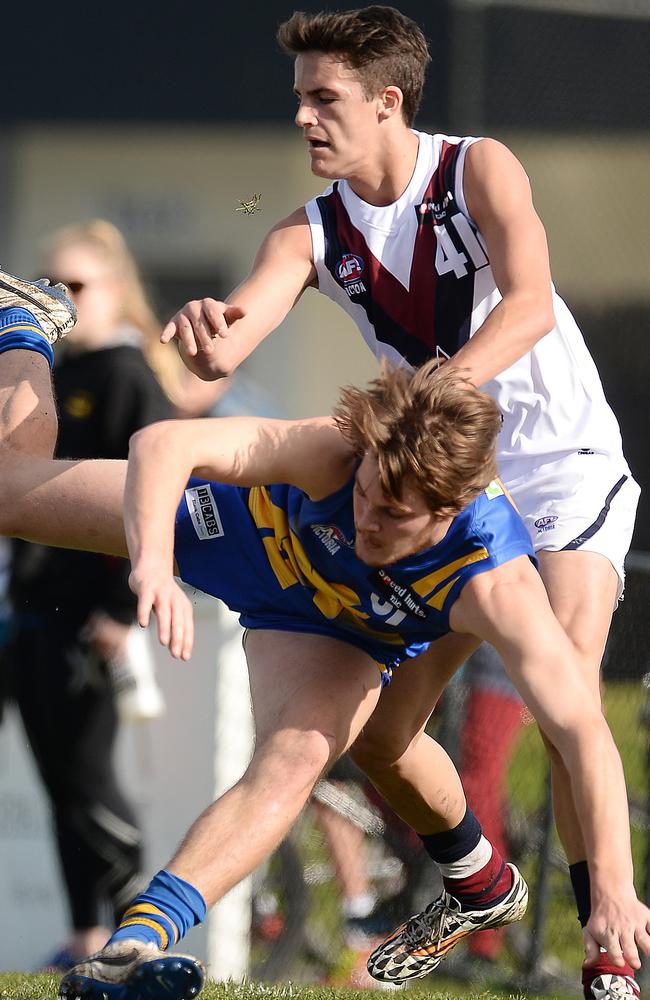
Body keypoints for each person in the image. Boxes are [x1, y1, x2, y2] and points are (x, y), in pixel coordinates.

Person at [161, 7, 644, 997]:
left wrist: (431, 395)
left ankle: (610, 943)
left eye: (320, 97)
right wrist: (209, 338)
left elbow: (530, 301)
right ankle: (479, 882)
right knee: (380, 740)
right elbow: (234, 338)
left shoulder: (477, 168)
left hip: (557, 467)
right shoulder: (309, 228)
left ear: (386, 102)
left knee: (567, 691)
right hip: (438, 494)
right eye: (297, 98)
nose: (300, 117)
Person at [0, 275, 646, 1000]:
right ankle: (24, 325)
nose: (367, 520)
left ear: (449, 510)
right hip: (231, 530)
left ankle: (129, 947)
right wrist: (149, 563)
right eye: (365, 494)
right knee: (8, 493)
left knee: (300, 756)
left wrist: (615, 891)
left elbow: (583, 732)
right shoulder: (335, 450)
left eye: (393, 515)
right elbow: (164, 443)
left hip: (323, 630)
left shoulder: (494, 582)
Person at [5, 221, 174, 970]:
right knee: (57, 789)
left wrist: (120, 609)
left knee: (90, 785)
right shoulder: (51, 369)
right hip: (32, 608)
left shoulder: (127, 376)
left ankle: (133, 938)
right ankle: (83, 940)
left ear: (115, 292)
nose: (58, 301)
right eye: (48, 286)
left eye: (74, 287)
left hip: (88, 618)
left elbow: (156, 497)